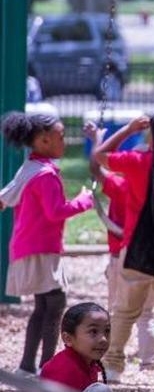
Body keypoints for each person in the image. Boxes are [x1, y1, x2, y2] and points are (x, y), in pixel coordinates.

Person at [0, 112, 94, 376]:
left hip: (30, 247)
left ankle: (28, 366)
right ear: (42, 141)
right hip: (40, 248)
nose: (64, 142)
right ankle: (46, 367)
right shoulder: (44, 175)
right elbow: (55, 211)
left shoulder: (30, 168)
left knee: (43, 306)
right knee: (55, 305)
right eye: (60, 137)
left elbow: (5, 197)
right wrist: (84, 201)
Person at [97, 108, 154, 385]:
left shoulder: (138, 161)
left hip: (136, 248)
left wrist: (128, 130)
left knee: (124, 311)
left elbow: (98, 156)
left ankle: (112, 365)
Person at [83, 122, 154, 377]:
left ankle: (114, 362)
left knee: (120, 310)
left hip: (124, 256)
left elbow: (96, 165)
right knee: (148, 314)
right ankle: (151, 359)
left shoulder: (122, 186)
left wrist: (99, 138)